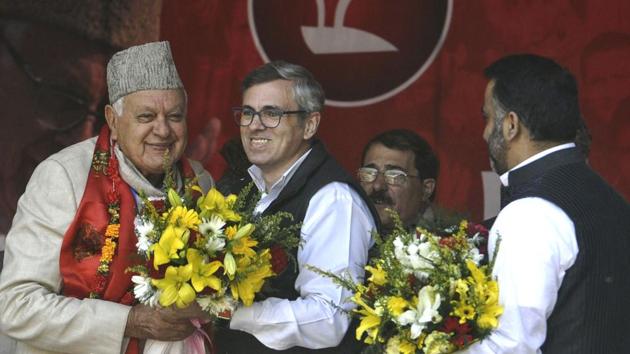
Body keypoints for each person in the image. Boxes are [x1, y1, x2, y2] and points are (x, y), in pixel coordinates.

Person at [0, 41, 214, 353]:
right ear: (113, 121)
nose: (163, 130)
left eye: (175, 116)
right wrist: (131, 321)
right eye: (146, 116)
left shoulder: (200, 183)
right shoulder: (64, 176)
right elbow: (15, 305)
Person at [463, 54, 630, 353]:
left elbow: (512, 346)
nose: (485, 132)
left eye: (487, 117)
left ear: (511, 125)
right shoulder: (611, 199)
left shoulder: (529, 213)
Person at [213, 61, 379, 353]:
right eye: (248, 113)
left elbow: (327, 319)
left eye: (272, 113)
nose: (254, 125)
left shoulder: (333, 199)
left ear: (310, 124)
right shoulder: (242, 187)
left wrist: (225, 312)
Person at [358, 129, 439, 232]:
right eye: (369, 173)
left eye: (394, 175)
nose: (377, 185)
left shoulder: (450, 244)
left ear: (426, 189)